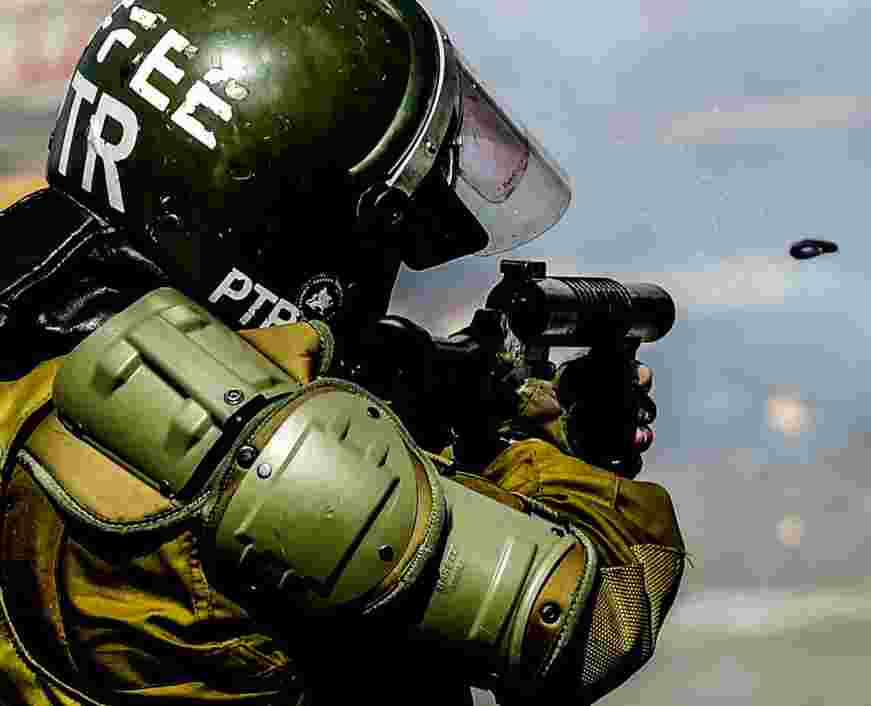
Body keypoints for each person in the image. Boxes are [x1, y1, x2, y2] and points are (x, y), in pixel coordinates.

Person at [0, 1, 686, 705]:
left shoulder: (32, 329)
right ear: (296, 227)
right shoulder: (251, 464)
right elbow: (592, 623)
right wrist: (552, 449)